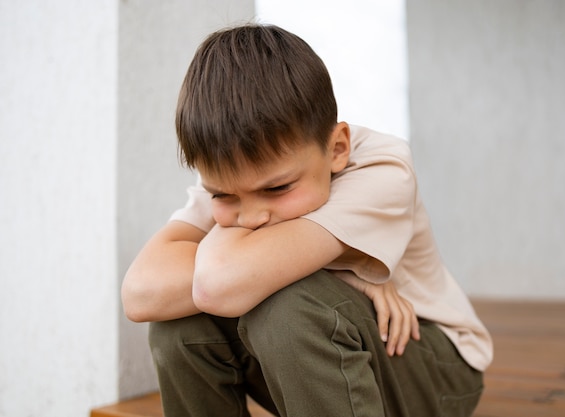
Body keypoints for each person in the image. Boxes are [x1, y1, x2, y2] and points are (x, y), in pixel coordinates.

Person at [122, 23, 492, 417]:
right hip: (328, 354)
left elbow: (217, 282)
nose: (253, 216)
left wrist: (240, 255)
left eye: (277, 189)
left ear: (337, 148)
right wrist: (347, 272)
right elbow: (142, 293)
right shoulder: (238, 172)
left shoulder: (384, 169)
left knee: (287, 306)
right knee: (178, 325)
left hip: (430, 361)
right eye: (223, 196)